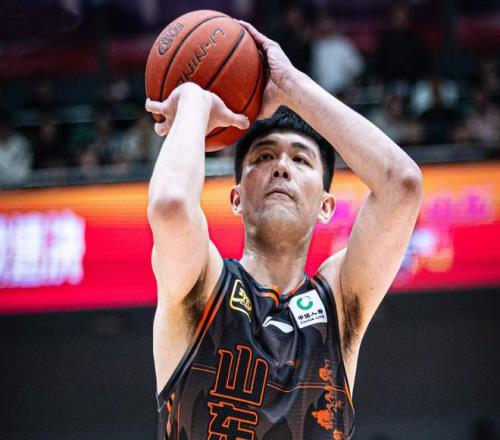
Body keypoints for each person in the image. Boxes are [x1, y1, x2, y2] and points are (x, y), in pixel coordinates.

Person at [145, 21, 423, 440]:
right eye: (263, 156)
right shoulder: (202, 285)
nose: (281, 167)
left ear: (326, 206)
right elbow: (170, 207)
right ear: (236, 198)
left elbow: (402, 185)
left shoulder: (338, 305)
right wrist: (194, 102)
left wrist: (291, 86)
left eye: (301, 160)